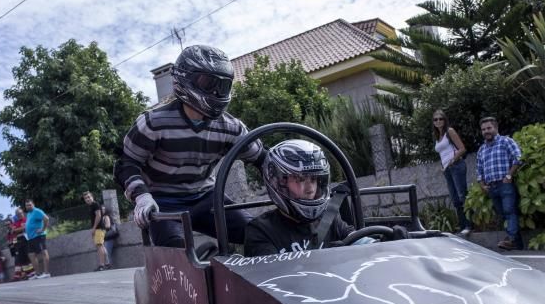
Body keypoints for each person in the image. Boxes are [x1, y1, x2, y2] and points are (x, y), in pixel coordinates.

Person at [114, 44, 265, 247]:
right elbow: (126, 163)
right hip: (162, 201)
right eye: (208, 82)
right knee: (177, 252)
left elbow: (262, 158)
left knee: (258, 235)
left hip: (206, 198)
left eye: (222, 85)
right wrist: (142, 196)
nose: (216, 92)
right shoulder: (153, 122)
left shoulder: (232, 128)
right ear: (185, 78)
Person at [244, 140, 352, 256]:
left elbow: (360, 242)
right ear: (279, 183)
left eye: (313, 179)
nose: (310, 188)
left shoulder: (329, 218)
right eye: (300, 179)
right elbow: (272, 272)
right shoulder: (261, 230)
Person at [476, 116, 524, 250]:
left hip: (505, 184)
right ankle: (518, 246)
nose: (486, 131)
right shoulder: (481, 149)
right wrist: (482, 185)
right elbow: (479, 170)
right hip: (491, 187)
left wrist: (509, 175)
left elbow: (518, 157)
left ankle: (511, 240)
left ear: (496, 128)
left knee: (509, 211)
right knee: (504, 215)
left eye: (489, 128)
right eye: (483, 129)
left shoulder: (506, 141)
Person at [432, 109, 472, 236]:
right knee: (455, 199)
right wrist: (443, 166)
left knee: (462, 195)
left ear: (445, 120)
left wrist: (451, 161)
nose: (438, 121)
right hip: (447, 169)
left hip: (456, 165)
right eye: (435, 119)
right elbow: (443, 153)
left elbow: (462, 149)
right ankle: (462, 226)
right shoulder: (437, 136)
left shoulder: (450, 131)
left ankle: (469, 225)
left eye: (440, 119)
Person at [82, 190, 109, 271]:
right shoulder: (91, 206)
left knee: (99, 245)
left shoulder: (95, 204)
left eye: (89, 197)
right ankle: (107, 263)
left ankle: (101, 265)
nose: (88, 199)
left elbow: (98, 216)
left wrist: (94, 228)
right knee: (101, 246)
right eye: (86, 198)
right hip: (99, 228)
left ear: (92, 197)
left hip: (99, 228)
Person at [24, 199, 50, 278]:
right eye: (27, 205)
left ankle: (46, 273)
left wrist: (43, 229)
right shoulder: (28, 214)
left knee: (43, 252)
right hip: (31, 238)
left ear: (33, 204)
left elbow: (46, 218)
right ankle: (38, 274)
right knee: (31, 254)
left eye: (30, 205)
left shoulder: (37, 211)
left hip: (39, 236)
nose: (28, 206)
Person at [10, 206, 31, 280]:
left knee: (27, 255)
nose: (19, 215)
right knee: (21, 258)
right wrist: (16, 230)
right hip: (17, 241)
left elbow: (24, 228)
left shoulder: (25, 219)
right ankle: (27, 273)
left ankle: (31, 273)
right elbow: (12, 231)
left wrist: (16, 230)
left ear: (23, 213)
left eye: (20, 213)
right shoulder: (16, 222)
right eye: (17, 214)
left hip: (25, 239)